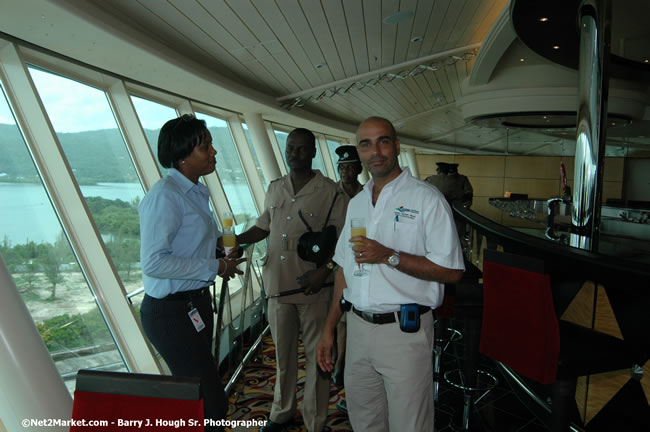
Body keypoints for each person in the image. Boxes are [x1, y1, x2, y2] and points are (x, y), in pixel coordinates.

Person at [317, 116, 465, 431]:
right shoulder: (357, 203)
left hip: (405, 333)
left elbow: (452, 271)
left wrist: (389, 256)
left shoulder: (426, 199)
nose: (376, 151)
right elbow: (344, 267)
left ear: (396, 146)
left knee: (409, 425)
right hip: (357, 330)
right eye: (366, 144)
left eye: (383, 141)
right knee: (364, 422)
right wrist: (330, 327)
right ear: (359, 152)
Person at [138, 114, 246, 431]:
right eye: (206, 147)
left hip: (194, 306)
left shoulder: (196, 193)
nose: (214, 153)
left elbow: (189, 245)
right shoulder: (165, 196)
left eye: (211, 145)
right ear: (183, 155)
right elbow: (154, 262)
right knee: (209, 402)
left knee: (201, 396)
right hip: (171, 314)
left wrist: (219, 252)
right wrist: (216, 266)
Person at [236, 128, 346, 432]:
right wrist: (234, 240)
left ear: (311, 152)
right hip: (278, 286)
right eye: (289, 148)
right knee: (283, 356)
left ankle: (316, 421)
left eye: (300, 149)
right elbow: (263, 226)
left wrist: (324, 270)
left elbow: (341, 238)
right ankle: (281, 412)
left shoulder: (330, 191)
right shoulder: (275, 188)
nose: (293, 154)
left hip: (313, 286)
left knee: (317, 358)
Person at [332, 145, 363, 388]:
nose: (345, 171)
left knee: (357, 316)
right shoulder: (331, 194)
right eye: (342, 167)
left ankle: (352, 362)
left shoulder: (368, 195)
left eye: (350, 167)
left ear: (359, 169)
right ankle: (340, 363)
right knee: (340, 317)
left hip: (362, 263)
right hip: (336, 263)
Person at [425, 162, 473, 238]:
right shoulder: (462, 179)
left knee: (436, 236)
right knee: (455, 237)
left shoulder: (431, 179)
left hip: (436, 214)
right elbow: (468, 197)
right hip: (456, 214)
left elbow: (424, 195)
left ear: (439, 170)